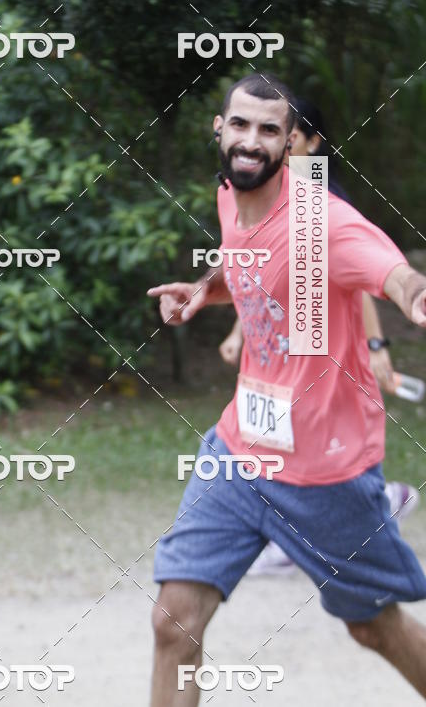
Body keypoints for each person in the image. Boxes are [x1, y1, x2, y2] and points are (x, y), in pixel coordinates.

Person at [147, 73, 426, 705]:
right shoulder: (229, 195)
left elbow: (392, 271)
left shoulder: (321, 220)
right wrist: (204, 291)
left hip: (324, 472)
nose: (251, 141)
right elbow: (247, 264)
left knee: (373, 626)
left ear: (291, 143)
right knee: (174, 620)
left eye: (269, 130)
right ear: (219, 129)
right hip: (240, 450)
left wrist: (414, 295)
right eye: (240, 125)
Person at [216, 98, 419, 576]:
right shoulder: (248, 194)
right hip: (279, 355)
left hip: (319, 339)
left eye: (289, 136)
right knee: (276, 416)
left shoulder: (319, 208)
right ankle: (304, 521)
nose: (275, 147)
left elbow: (366, 282)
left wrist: (376, 346)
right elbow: (257, 275)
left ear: (307, 143)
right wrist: (237, 329)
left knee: (308, 412)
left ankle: (350, 507)